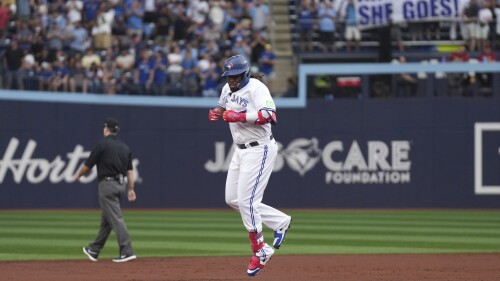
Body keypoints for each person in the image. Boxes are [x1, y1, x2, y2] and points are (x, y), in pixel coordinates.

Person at [208, 55, 292, 277]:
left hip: (260, 148)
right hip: (240, 149)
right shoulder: (227, 89)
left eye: (235, 76)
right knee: (232, 199)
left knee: (247, 201)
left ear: (244, 73)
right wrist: (216, 112)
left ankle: (261, 249)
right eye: (228, 76)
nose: (231, 80)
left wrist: (240, 116)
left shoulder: (257, 88)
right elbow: (221, 106)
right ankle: (280, 221)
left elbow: (270, 115)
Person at [75, 117, 137, 263]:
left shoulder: (101, 145)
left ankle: (127, 251)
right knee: (107, 220)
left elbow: (88, 165)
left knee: (115, 218)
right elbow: (130, 172)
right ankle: (94, 249)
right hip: (120, 185)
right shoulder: (125, 147)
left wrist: (78, 175)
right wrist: (131, 189)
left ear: (106, 129)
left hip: (107, 185)